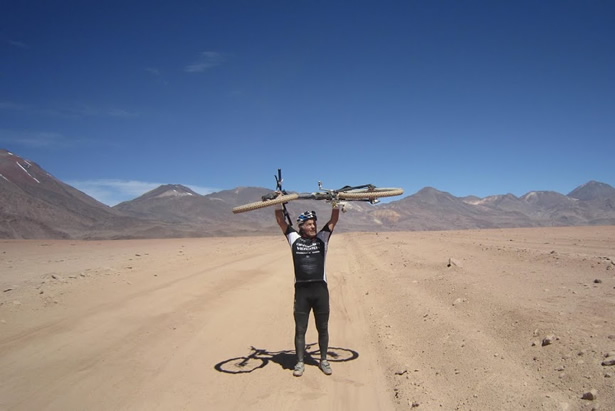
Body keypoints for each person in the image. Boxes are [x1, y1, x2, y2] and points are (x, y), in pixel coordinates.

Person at [275, 202, 340, 377]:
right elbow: (280, 220)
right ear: (301, 226)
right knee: (300, 329)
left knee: (323, 328)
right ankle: (300, 362)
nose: (313, 226)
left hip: (320, 291)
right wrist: (276, 203)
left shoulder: (323, 238)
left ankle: (324, 360)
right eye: (309, 224)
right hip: (302, 293)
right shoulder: (294, 239)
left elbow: (334, 219)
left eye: (314, 224)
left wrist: (335, 202)